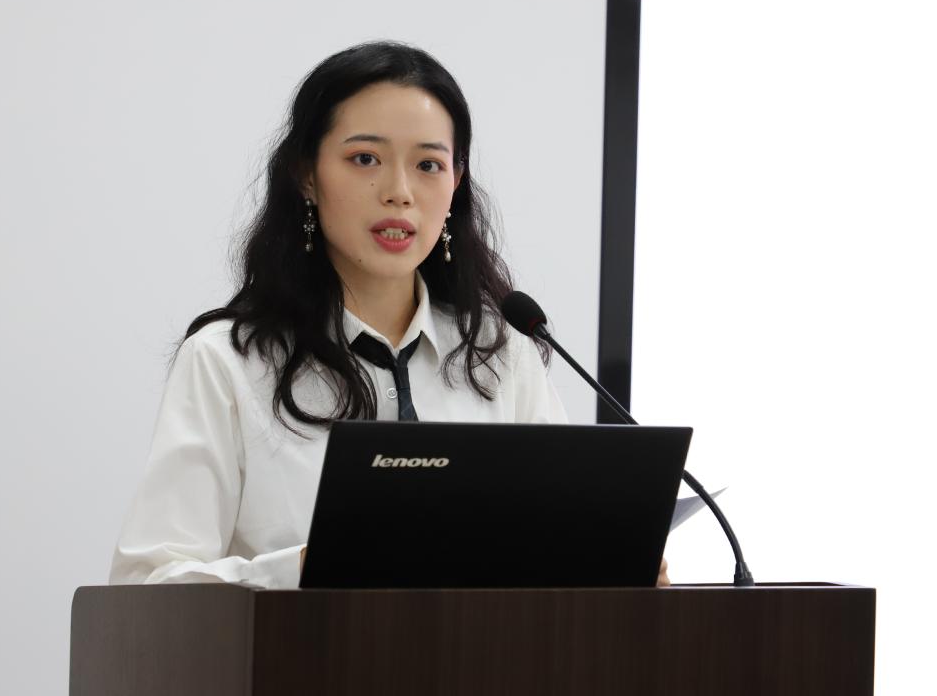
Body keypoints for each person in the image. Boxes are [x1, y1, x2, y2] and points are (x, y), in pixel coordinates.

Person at [108, 40, 668, 589]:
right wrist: (300, 569)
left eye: (428, 164)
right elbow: (146, 586)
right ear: (306, 174)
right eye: (365, 159)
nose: (400, 192)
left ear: (456, 182)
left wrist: (612, 564)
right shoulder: (227, 361)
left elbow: (557, 543)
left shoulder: (502, 355)